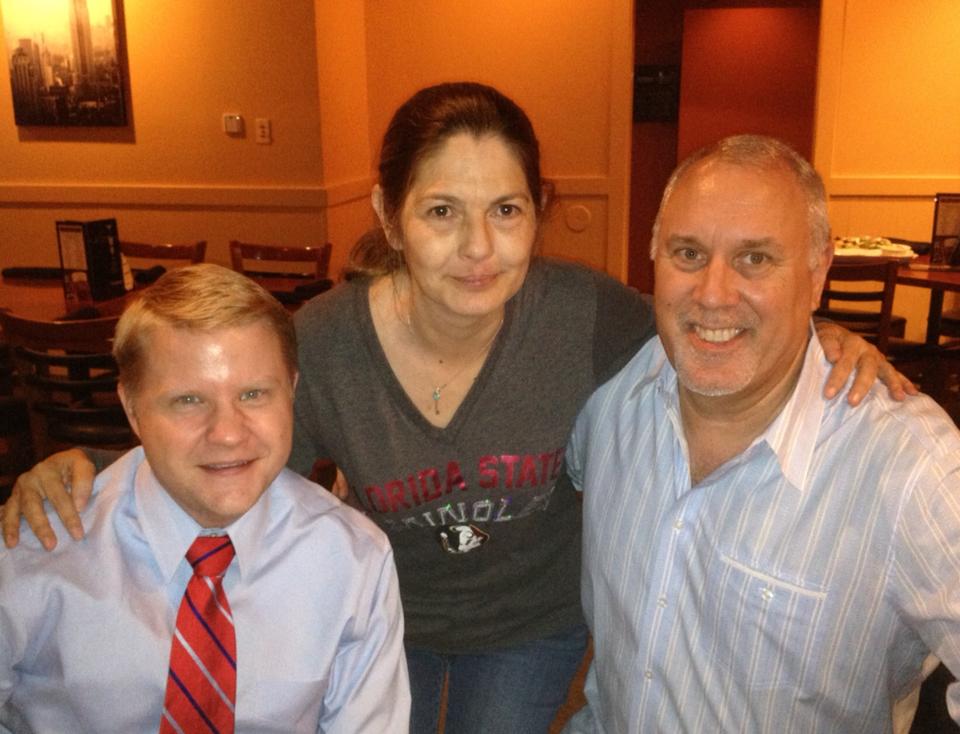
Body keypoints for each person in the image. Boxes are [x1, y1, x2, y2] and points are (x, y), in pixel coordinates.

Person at [2, 85, 911, 733]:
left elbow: (716, 325)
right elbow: (224, 455)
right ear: (390, 217)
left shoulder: (591, 319)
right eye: (442, 211)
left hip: (532, 626)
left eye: (507, 209)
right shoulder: (320, 344)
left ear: (537, 213)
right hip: (373, 614)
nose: (479, 248)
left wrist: (819, 334)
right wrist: (90, 473)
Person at [563, 134, 960, 732]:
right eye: (688, 254)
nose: (713, 294)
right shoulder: (609, 395)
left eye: (756, 259)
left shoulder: (909, 465)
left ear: (818, 268)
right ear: (653, 256)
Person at [0, 264, 409, 733]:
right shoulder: (32, 552)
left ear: (292, 392)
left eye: (254, 393)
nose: (229, 434)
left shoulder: (354, 561)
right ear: (132, 408)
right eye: (189, 400)